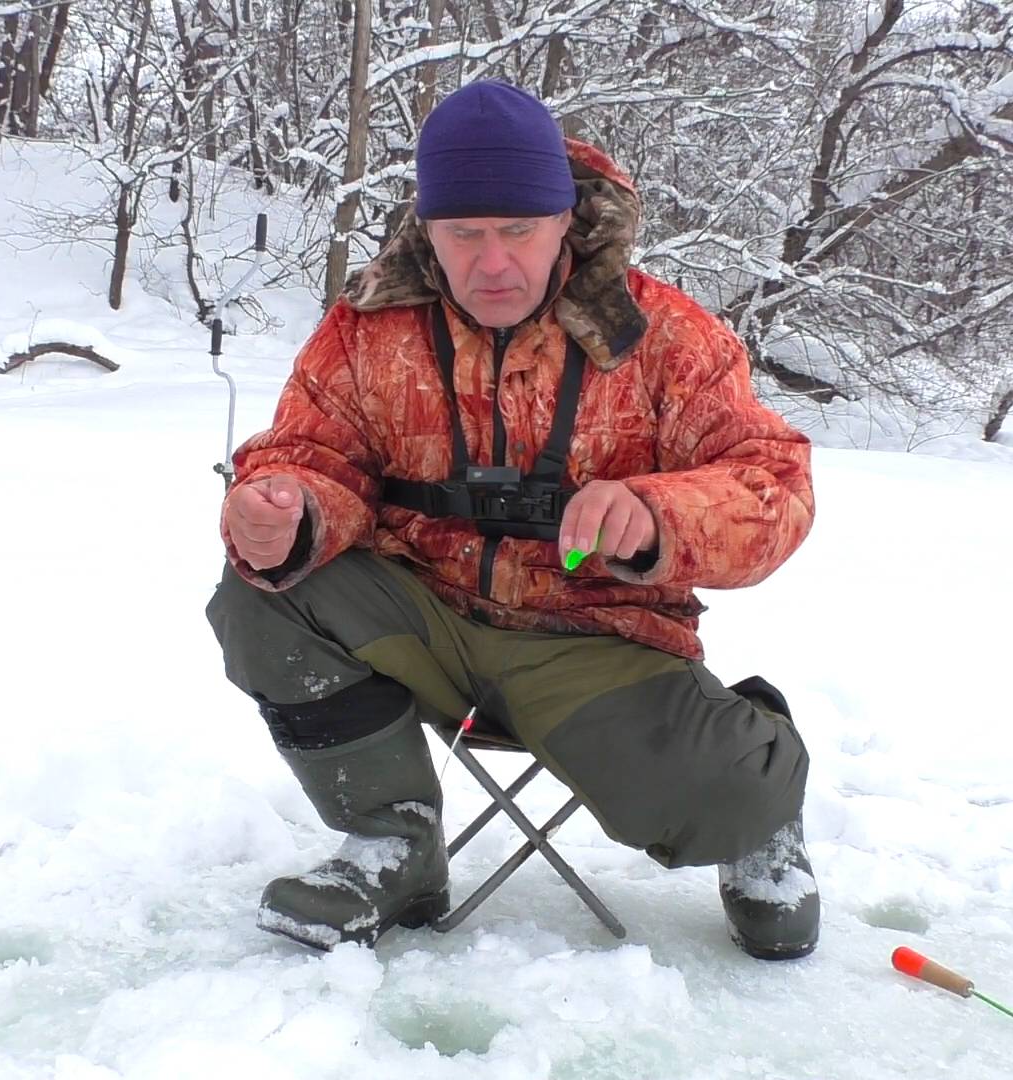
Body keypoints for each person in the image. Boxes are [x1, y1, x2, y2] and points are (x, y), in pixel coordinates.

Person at [205, 81, 818, 960]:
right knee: (260, 594)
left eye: (519, 230)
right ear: (428, 228)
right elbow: (310, 455)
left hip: (596, 642)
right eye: (465, 233)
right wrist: (287, 510)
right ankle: (393, 840)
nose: (492, 262)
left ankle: (761, 790)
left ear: (564, 220)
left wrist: (656, 514)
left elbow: (775, 487)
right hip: (424, 623)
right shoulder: (364, 331)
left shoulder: (664, 336)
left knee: (730, 797)